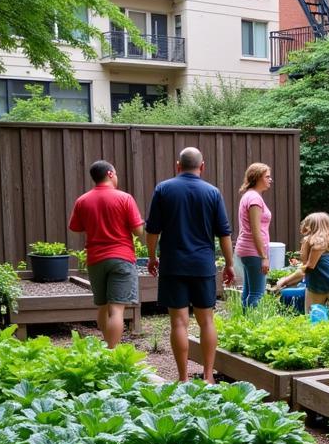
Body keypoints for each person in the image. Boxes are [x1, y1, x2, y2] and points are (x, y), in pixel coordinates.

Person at [145, 147, 235, 382]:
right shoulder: (212, 193)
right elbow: (224, 234)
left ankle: (183, 378)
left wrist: (152, 256)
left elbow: (152, 230)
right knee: (207, 321)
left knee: (178, 322)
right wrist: (229, 264)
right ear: (202, 167)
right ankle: (208, 376)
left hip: (173, 265)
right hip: (203, 265)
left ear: (178, 165)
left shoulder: (163, 189)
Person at [67, 160, 144, 348]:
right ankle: (112, 352)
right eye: (116, 174)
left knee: (102, 306)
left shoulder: (82, 200)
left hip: (95, 260)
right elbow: (138, 232)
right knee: (117, 309)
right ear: (110, 174)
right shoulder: (125, 198)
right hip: (121, 258)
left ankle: (105, 347)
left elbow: (75, 228)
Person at [270, 212, 329, 313]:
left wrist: (284, 281)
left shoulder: (319, 243)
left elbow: (308, 267)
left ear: (312, 226)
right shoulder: (327, 241)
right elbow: (306, 268)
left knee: (316, 321)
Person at [234, 162, 273, 309]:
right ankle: (253, 327)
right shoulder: (255, 199)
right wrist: (264, 257)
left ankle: (244, 324)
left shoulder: (249, 196)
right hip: (253, 250)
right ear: (257, 178)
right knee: (257, 293)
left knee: (249, 291)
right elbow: (256, 230)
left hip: (247, 249)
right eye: (267, 177)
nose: (270, 180)